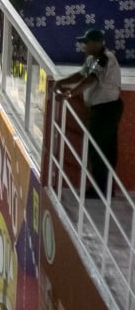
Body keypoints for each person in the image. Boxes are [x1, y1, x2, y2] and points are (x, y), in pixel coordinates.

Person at [55, 28, 124, 195]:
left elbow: (91, 79)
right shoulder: (93, 59)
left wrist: (70, 93)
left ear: (97, 43)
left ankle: (101, 189)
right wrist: (62, 83)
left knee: (99, 149)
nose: (84, 46)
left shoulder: (105, 59)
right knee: (101, 148)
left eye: (87, 43)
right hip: (101, 109)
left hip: (106, 109)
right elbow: (81, 75)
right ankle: (105, 188)